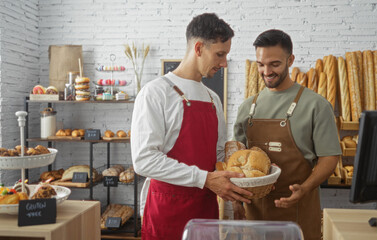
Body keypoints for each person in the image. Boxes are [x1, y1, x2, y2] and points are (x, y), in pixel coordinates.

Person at [131, 13, 252, 240]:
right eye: (220, 54)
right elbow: (144, 160)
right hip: (166, 210)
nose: (224, 63)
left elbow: (217, 155)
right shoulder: (156, 92)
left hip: (205, 209)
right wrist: (205, 179)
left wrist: (240, 182)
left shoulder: (212, 98)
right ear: (198, 48)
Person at [233, 29, 341, 240]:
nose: (266, 71)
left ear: (290, 60)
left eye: (275, 64)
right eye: (261, 64)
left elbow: (330, 158)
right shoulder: (248, 108)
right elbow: (236, 161)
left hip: (298, 213)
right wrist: (236, 198)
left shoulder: (316, 106)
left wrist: (306, 187)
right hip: (255, 217)